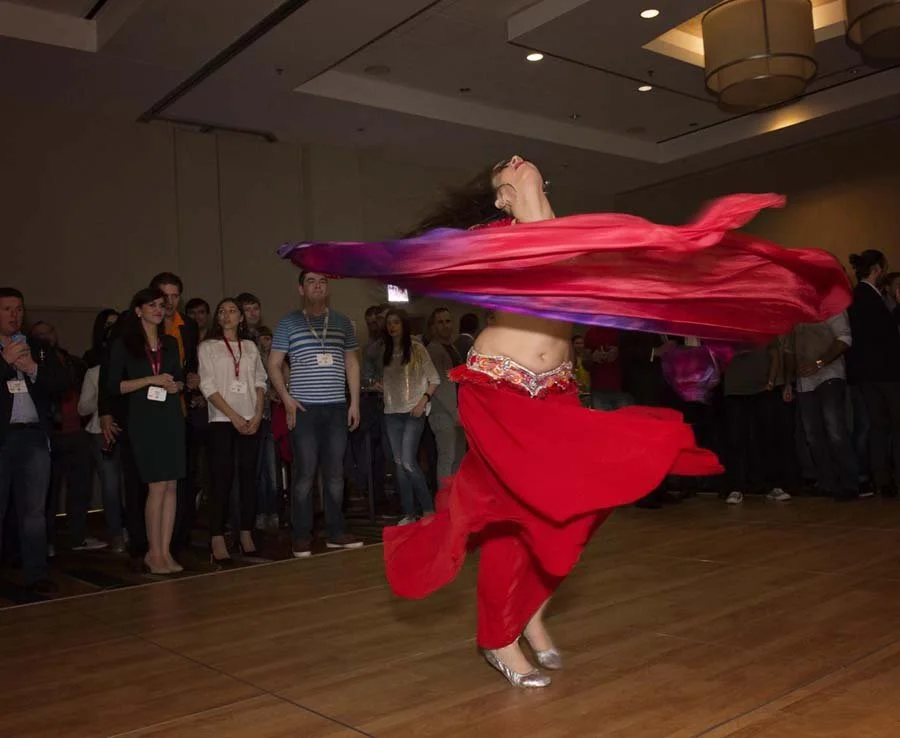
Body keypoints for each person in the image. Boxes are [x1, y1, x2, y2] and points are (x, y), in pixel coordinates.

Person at [278, 157, 852, 688]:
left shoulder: (586, 233)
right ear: (501, 197)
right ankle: (499, 637)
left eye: (524, 159)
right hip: (498, 389)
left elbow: (646, 272)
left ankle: (527, 617)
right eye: (506, 164)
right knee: (519, 511)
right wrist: (333, 258)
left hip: (556, 390)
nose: (518, 158)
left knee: (569, 513)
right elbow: (413, 261)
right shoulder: (493, 239)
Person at [268, 270, 363, 558]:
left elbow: (352, 365)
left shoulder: (343, 322)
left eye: (322, 281)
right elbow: (273, 364)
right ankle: (301, 535)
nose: (317, 286)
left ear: (328, 287)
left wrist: (354, 403)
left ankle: (336, 532)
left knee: (335, 474)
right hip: (304, 409)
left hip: (335, 407)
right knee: (305, 474)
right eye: (311, 281)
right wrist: (286, 399)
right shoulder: (288, 323)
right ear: (301, 289)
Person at [106, 288, 185, 575]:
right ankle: (153, 552)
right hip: (143, 417)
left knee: (172, 484)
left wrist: (178, 386)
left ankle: (165, 552)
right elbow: (114, 386)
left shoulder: (169, 343)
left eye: (161, 305)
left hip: (170, 415)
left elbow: (176, 379)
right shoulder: (124, 344)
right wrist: (150, 379)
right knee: (156, 485)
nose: (157, 309)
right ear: (137, 310)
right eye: (150, 305)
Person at [0, 287, 66, 592]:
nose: (15, 315)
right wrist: (4, 364)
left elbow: (62, 384)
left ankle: (36, 573)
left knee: (35, 510)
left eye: (19, 309)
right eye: (8, 309)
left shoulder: (38, 347)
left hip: (34, 437)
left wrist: (33, 369)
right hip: (3, 437)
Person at [199, 299, 267, 563]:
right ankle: (217, 535)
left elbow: (260, 380)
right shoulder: (208, 347)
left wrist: (259, 412)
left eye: (232, 311)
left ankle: (246, 532)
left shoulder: (250, 346)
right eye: (222, 311)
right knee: (221, 479)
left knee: (249, 477)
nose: (226, 315)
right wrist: (233, 416)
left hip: (251, 418)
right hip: (222, 420)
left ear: (241, 318)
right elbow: (207, 385)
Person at [846, 250, 900, 498]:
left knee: (878, 426)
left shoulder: (856, 296)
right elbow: (886, 336)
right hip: (885, 372)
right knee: (894, 424)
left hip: (866, 374)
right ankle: (892, 478)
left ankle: (882, 479)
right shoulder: (870, 297)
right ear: (877, 269)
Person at [381, 308, 440, 524]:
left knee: (407, 461)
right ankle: (409, 512)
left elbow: (434, 379)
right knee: (399, 463)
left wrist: (423, 400)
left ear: (404, 325)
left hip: (413, 410)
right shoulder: (386, 352)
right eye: (389, 323)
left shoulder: (417, 348)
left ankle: (427, 508)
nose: (392, 326)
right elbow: (392, 381)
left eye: (396, 322)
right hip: (391, 412)